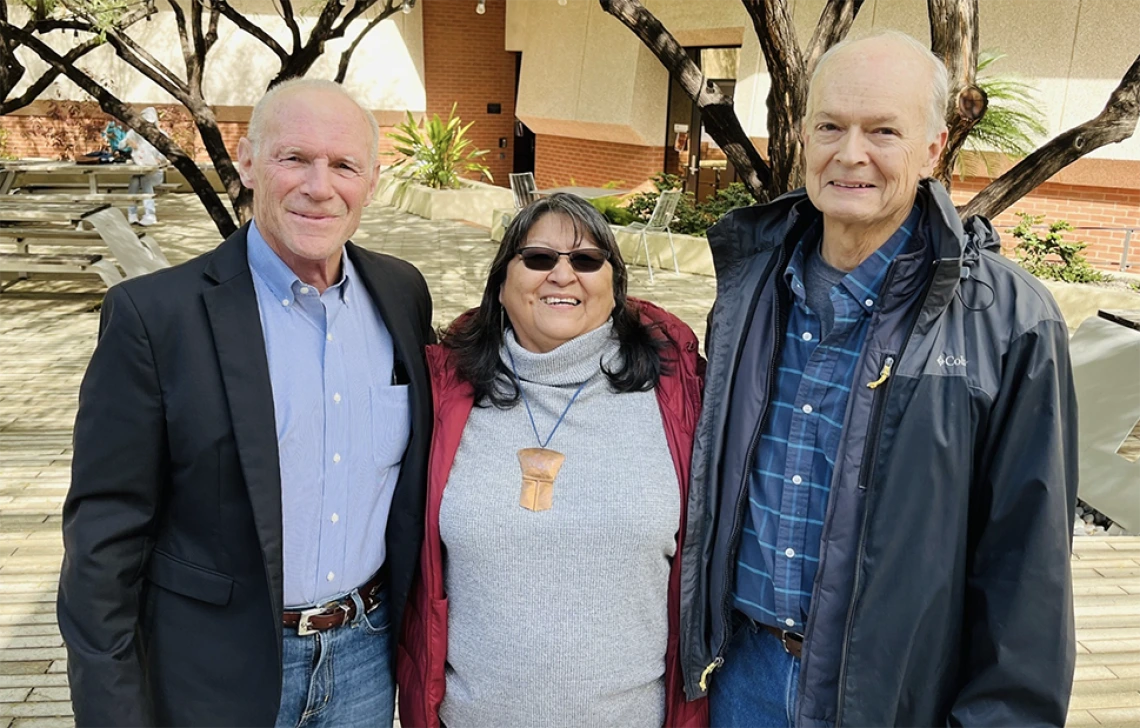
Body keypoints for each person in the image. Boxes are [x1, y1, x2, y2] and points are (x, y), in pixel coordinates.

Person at [679, 31, 1078, 728]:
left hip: (891, 700)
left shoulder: (1010, 321)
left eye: (883, 131)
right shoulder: (750, 288)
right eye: (830, 126)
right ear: (802, 135)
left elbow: (1029, 572)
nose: (851, 153)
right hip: (742, 679)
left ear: (933, 148)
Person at [58, 79, 434, 728]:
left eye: (344, 165)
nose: (320, 186)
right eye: (295, 158)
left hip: (367, 663)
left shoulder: (402, 295)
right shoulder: (154, 319)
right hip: (214, 675)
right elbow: (103, 543)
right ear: (248, 160)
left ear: (372, 180)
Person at [397, 193, 707, 728]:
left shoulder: (679, 393)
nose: (563, 275)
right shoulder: (442, 392)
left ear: (615, 286)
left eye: (587, 260)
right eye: (539, 258)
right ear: (501, 282)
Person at [123, 106, 166, 226]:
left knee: (144, 179)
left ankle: (150, 214)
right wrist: (127, 143)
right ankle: (132, 213)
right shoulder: (135, 133)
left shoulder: (161, 135)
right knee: (135, 180)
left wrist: (160, 159)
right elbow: (121, 145)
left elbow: (166, 155)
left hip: (155, 173)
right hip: (139, 169)